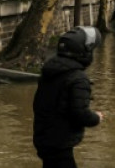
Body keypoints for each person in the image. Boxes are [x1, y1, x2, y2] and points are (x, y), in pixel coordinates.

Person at [33, 26, 105, 168]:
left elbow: (39, 104)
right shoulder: (78, 78)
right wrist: (96, 117)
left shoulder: (49, 71)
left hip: (43, 138)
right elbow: (80, 113)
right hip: (60, 143)